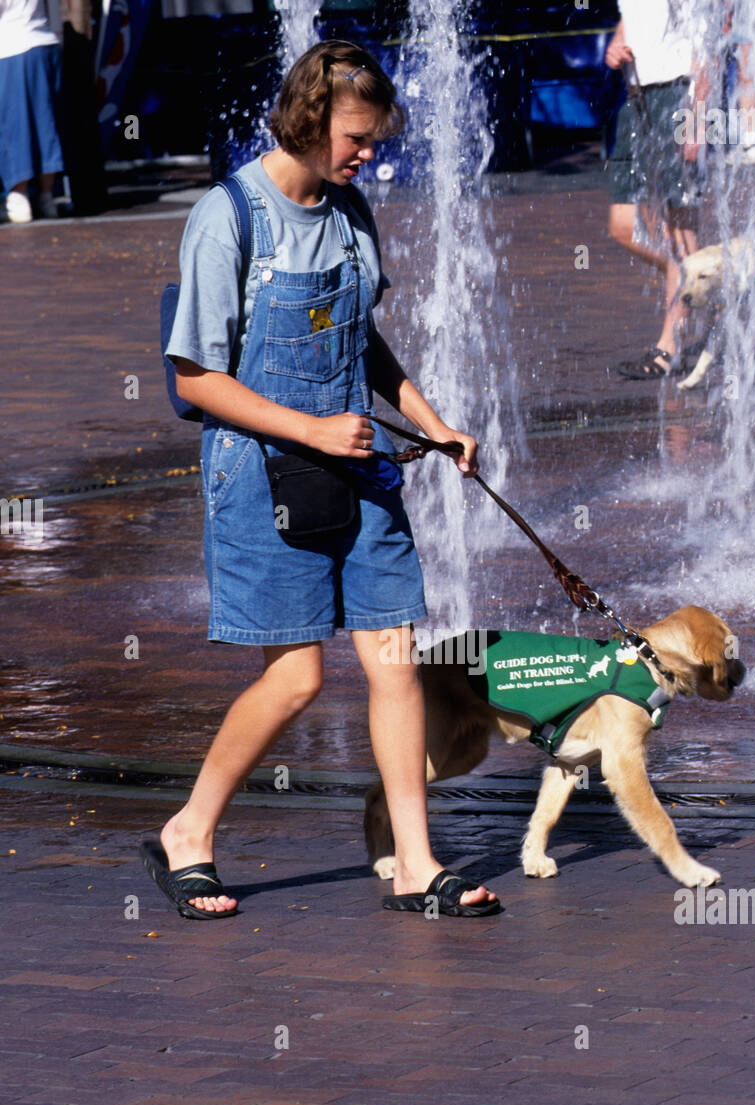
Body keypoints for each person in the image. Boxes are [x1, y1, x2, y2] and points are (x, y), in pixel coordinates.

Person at [143, 40, 502, 921]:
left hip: (362, 471)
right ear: (307, 119)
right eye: (356, 137)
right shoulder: (228, 218)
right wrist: (309, 428)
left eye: (375, 139)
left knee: (396, 661)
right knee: (298, 678)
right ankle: (188, 831)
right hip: (265, 475)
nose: (368, 154)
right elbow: (194, 379)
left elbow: (360, 344)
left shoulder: (348, 213)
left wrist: (432, 421)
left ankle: (415, 862)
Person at [604, 0, 702, 379]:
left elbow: (706, 41)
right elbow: (631, 20)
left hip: (678, 95)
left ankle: (668, 346)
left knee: (681, 227)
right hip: (637, 97)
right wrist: (617, 43)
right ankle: (697, 276)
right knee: (623, 225)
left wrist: (698, 115)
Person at [0, 0, 63, 222]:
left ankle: (19, 196)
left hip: (12, 46)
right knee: (45, 123)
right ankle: (46, 197)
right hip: (44, 42)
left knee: (14, 126)